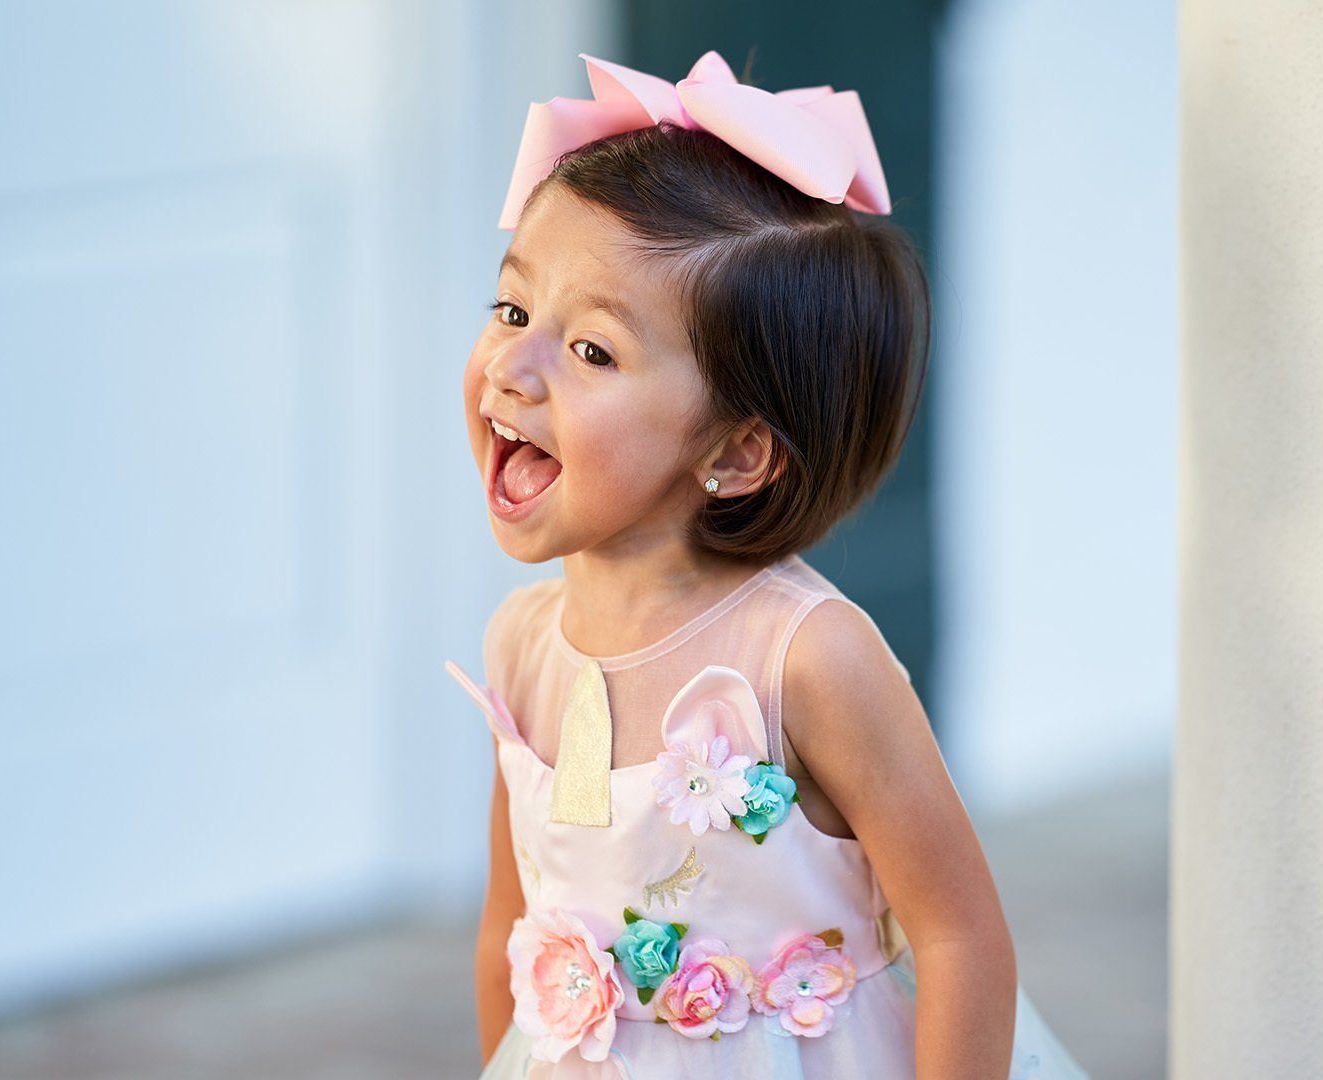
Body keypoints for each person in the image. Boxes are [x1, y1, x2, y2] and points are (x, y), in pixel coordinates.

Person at [444, 49, 1089, 1080]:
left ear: (737, 452)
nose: (512, 368)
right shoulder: (521, 644)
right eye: (515, 311)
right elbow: (507, 935)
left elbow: (962, 935)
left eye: (592, 351)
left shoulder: (808, 658)